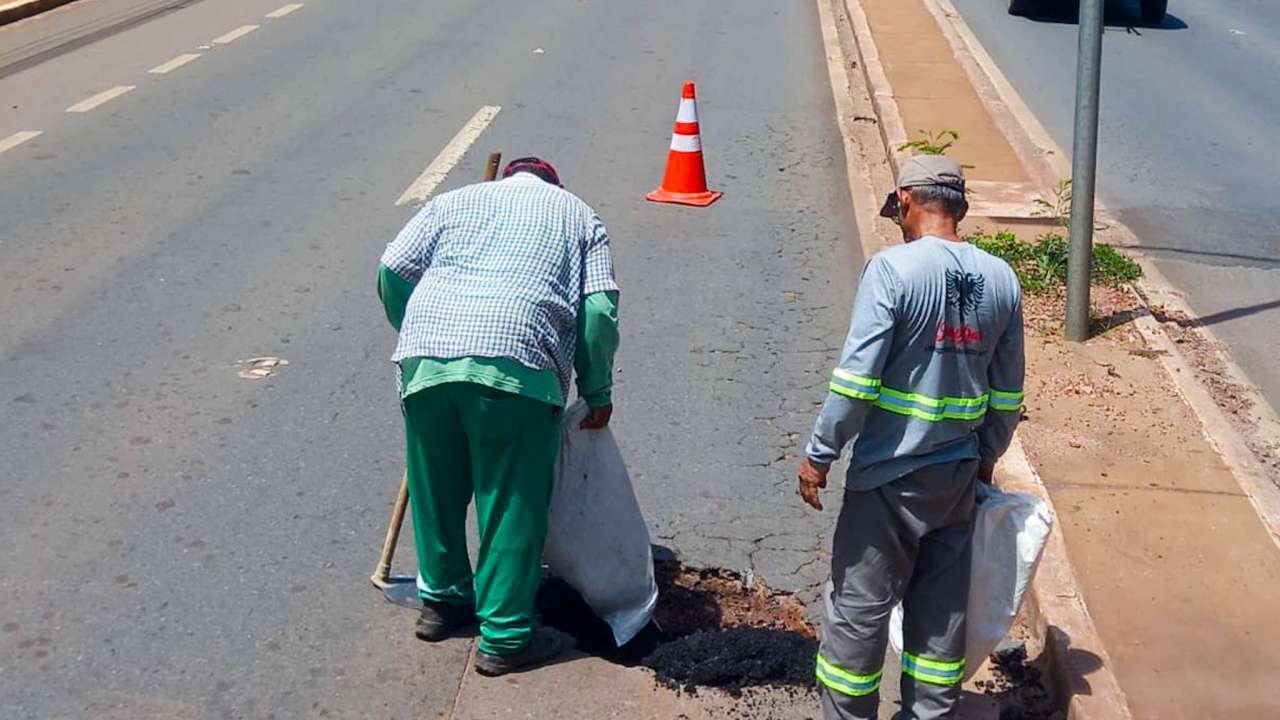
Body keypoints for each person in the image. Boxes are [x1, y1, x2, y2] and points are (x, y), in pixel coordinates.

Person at [797, 155, 1025, 719]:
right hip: (955, 480)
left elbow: (855, 382)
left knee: (859, 613)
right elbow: (1007, 395)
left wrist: (820, 453)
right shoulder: (1002, 279)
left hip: (886, 479)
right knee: (940, 619)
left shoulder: (893, 271)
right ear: (961, 209)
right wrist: (985, 459)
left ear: (904, 201)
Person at [376, 157, 620, 676]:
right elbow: (598, 310)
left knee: (435, 489)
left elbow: (391, 270)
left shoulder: (454, 200)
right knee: (509, 500)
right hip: (517, 362)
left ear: (509, 176)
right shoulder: (577, 214)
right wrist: (596, 389)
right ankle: (507, 635)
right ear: (554, 182)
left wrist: (417, 330)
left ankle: (442, 601)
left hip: (427, 355)